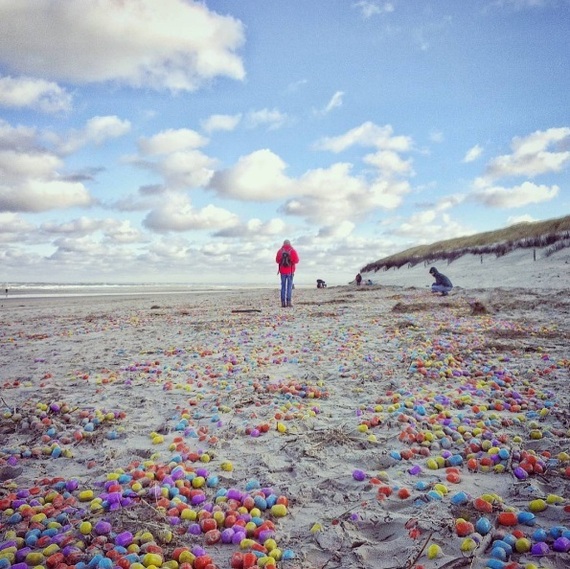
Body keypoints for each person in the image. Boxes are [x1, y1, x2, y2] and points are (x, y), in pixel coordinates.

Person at [276, 239, 299, 307]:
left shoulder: (280, 251)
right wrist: (291, 260)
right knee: (289, 287)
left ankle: (283, 303)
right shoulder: (292, 250)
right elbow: (297, 260)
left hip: (282, 271)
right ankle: (289, 302)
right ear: (289, 243)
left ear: (283, 243)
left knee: (283, 286)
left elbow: (277, 260)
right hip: (290, 271)